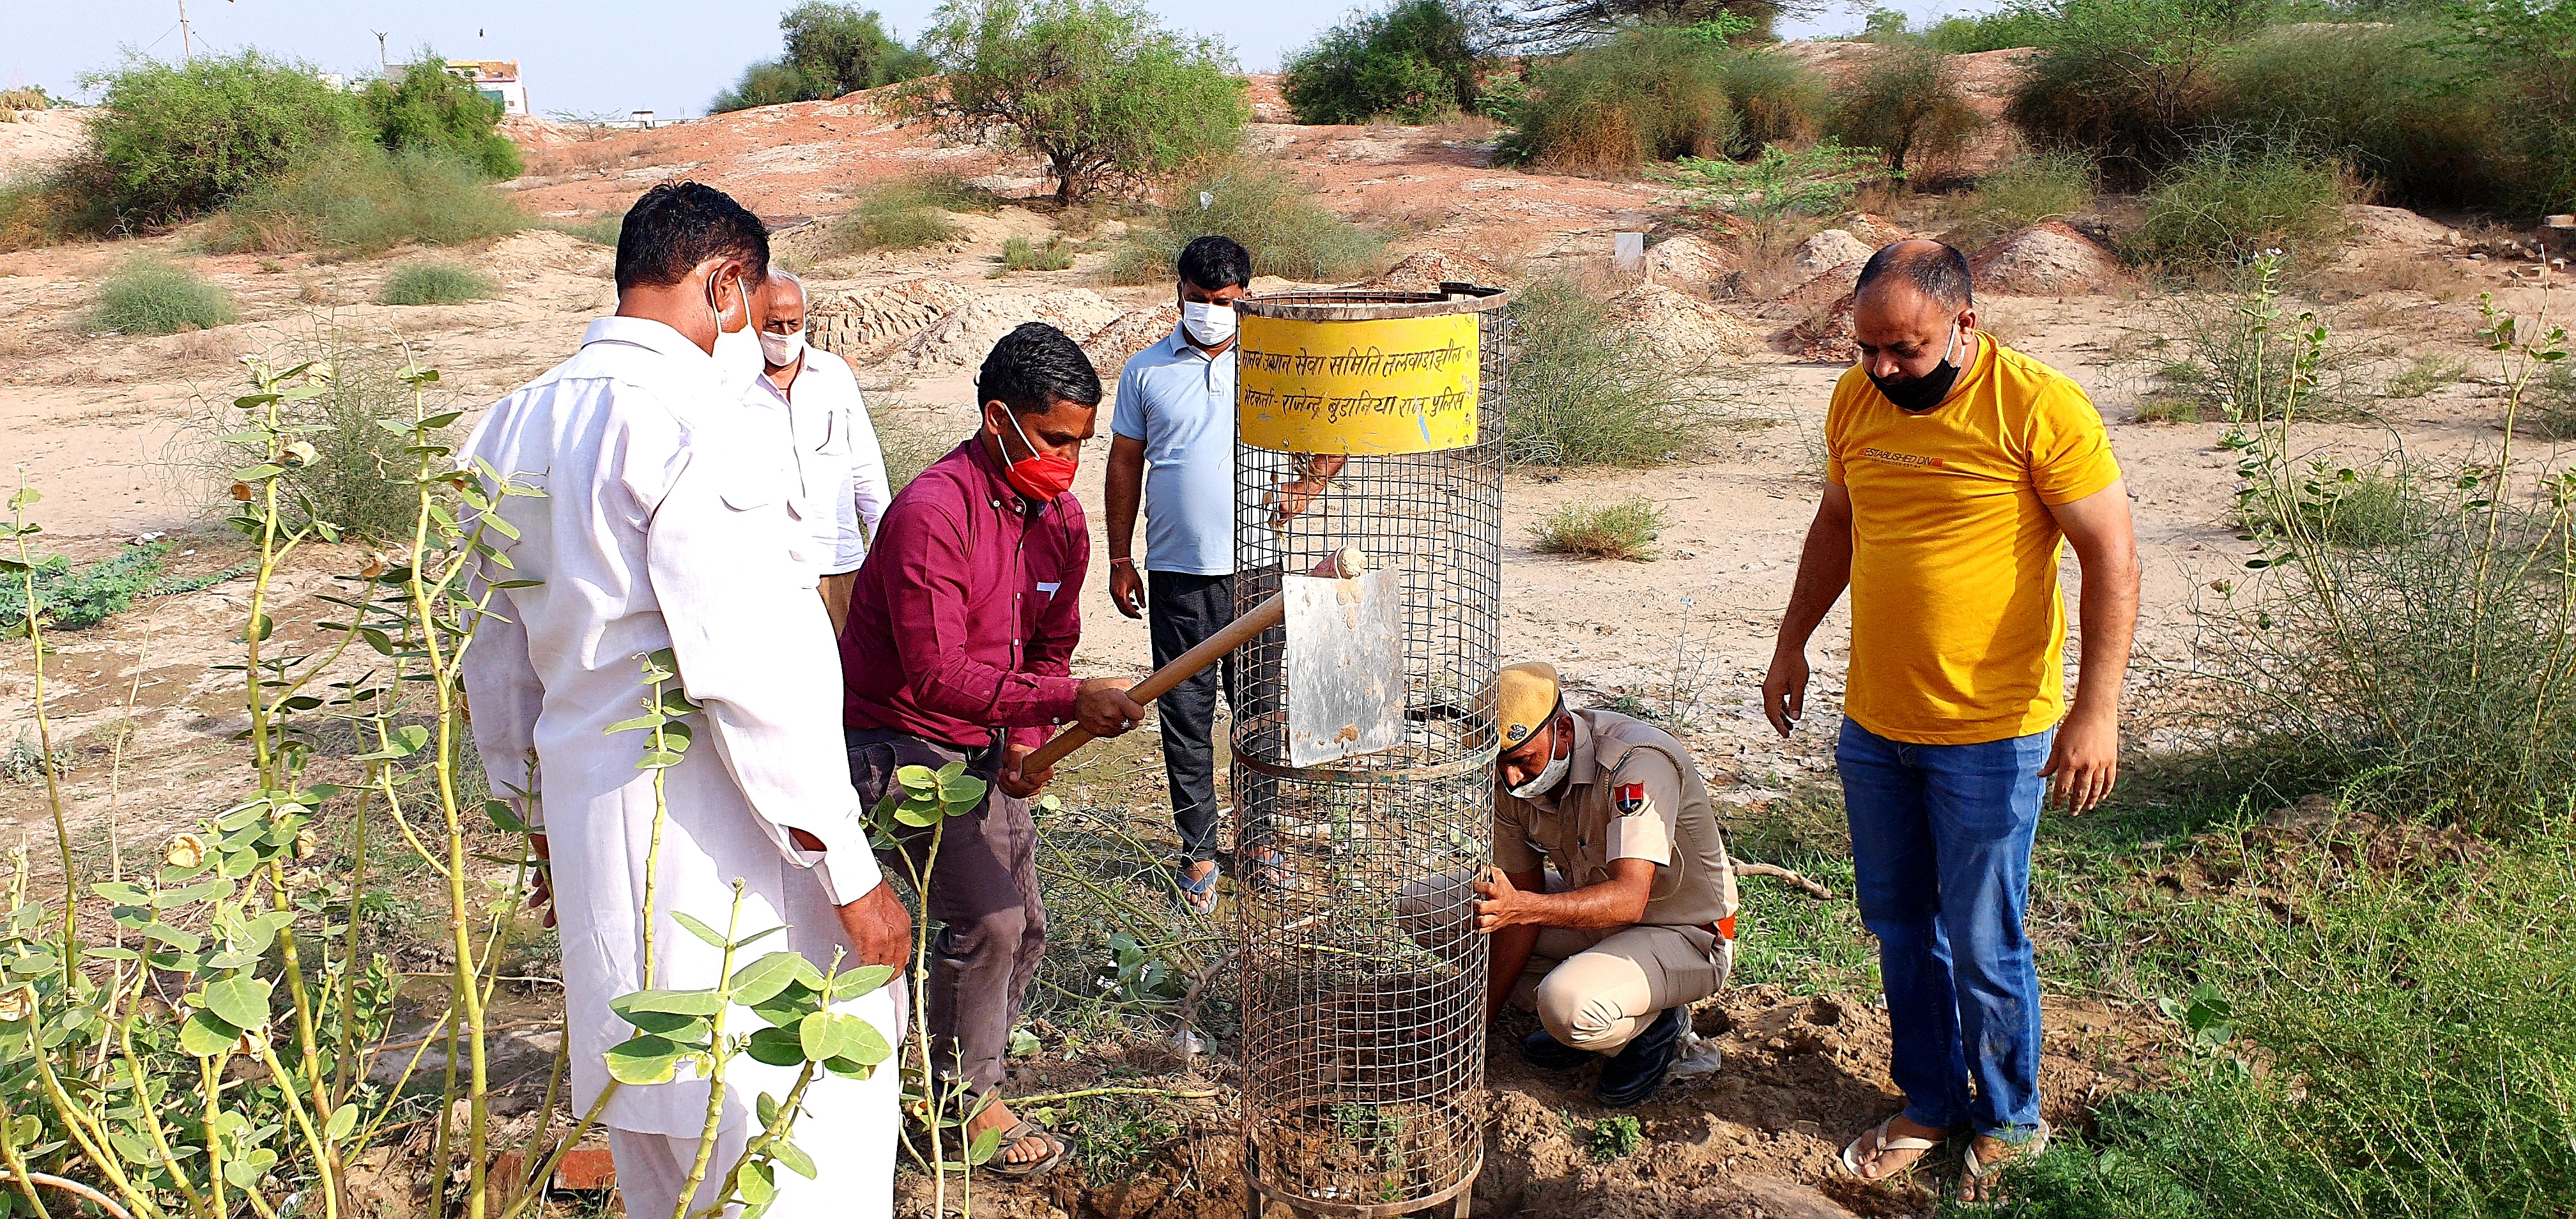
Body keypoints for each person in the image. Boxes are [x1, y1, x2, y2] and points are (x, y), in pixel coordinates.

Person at [458, 181, 911, 1219]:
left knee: (667, 1166)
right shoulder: (696, 422)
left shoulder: (507, 426)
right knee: (804, 1153)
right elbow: (759, 677)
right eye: (751, 308)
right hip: (730, 871)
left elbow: (496, 670)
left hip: (597, 864)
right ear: (724, 284)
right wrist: (851, 873)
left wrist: (536, 834)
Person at [1760, 240, 2138, 1201]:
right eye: (1869, 350)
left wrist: (2095, 710)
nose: (1885, 369)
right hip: (1877, 725)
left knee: (1982, 933)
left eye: (1907, 350)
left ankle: (2011, 1120)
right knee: (1898, 924)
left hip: (1994, 730)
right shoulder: (1856, 402)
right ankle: (1928, 1102)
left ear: (1965, 323)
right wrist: (1791, 642)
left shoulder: (2039, 406)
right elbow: (1837, 526)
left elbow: (2112, 557)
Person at [839, 321, 1149, 1177]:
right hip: (894, 739)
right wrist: (1064, 700)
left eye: (1080, 443)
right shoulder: (932, 515)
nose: (1068, 461)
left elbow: (1049, 649)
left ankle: (970, 1082)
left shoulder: (1063, 523)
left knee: (1030, 928)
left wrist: (1030, 740)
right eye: (1053, 439)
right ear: (997, 418)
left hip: (990, 737)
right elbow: (936, 676)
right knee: (988, 919)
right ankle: (963, 1110)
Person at [1406, 661, 1740, 1108]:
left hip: (1684, 932)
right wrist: (1476, 1027)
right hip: (1595, 918)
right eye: (1499, 765)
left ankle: (1658, 1031)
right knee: (1424, 905)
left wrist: (1523, 908)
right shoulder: (1511, 779)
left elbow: (1629, 897)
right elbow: (1517, 901)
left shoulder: (1635, 763)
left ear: (1564, 730)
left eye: (1523, 761)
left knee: (1565, 1004)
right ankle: (1594, 993)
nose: (1511, 779)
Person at [1103, 234, 1252, 914]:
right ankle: (1198, 852)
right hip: (1176, 574)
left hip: (1261, 577)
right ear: (1179, 294)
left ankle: (1265, 840)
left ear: (1244, 296)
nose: (1211, 312)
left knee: (1263, 716)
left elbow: (1335, 423)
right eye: (1199, 300)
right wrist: (1120, 556)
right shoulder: (1144, 371)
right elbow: (1124, 463)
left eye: (1223, 302)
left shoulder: (1275, 366)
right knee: (1187, 716)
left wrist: (1309, 484)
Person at [755, 270, 893, 634]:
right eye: (774, 324)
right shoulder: (735, 384)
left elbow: (865, 465)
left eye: (793, 323)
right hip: (770, 566)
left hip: (837, 559)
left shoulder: (833, 375)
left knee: (848, 668)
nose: (785, 335)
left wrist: (884, 543)